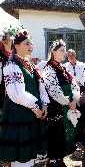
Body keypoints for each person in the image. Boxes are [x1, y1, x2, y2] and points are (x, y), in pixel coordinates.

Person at [0, 27, 49, 166]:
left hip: (33, 114)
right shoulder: (11, 65)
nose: (31, 46)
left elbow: (41, 88)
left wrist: (44, 104)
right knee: (21, 158)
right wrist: (35, 108)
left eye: (31, 43)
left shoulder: (31, 66)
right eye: (27, 43)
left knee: (31, 156)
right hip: (19, 114)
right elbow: (16, 93)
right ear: (16, 46)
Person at [43, 39, 80, 167]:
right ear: (53, 52)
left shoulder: (64, 68)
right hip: (56, 108)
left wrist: (75, 99)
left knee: (64, 135)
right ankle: (53, 161)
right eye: (62, 51)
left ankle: (60, 159)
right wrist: (69, 101)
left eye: (65, 50)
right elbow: (54, 92)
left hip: (68, 106)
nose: (65, 53)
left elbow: (74, 85)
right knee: (56, 134)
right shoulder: (48, 69)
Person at [0, 27, 15, 115]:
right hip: (3, 85)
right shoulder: (1, 55)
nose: (11, 39)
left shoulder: (15, 54)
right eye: (9, 37)